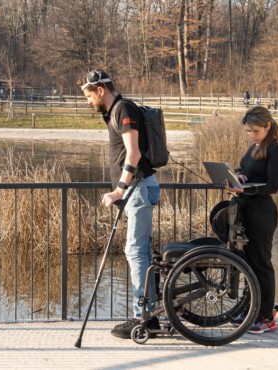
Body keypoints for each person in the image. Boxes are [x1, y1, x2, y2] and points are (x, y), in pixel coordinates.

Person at [80, 69, 161, 339]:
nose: (88, 102)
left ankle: (143, 318)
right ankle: (149, 314)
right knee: (141, 253)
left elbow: (134, 153)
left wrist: (118, 190)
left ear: (101, 90)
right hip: (136, 190)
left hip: (137, 188)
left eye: (89, 96)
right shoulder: (115, 110)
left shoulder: (122, 109)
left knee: (135, 252)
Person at [224, 106, 278, 334]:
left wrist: (245, 190)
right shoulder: (255, 146)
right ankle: (251, 310)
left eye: (256, 131)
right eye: (249, 131)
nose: (252, 135)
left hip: (262, 212)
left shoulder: (275, 150)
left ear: (268, 126)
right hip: (246, 209)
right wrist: (238, 175)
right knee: (248, 265)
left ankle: (266, 317)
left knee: (262, 265)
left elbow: (273, 186)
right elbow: (244, 166)